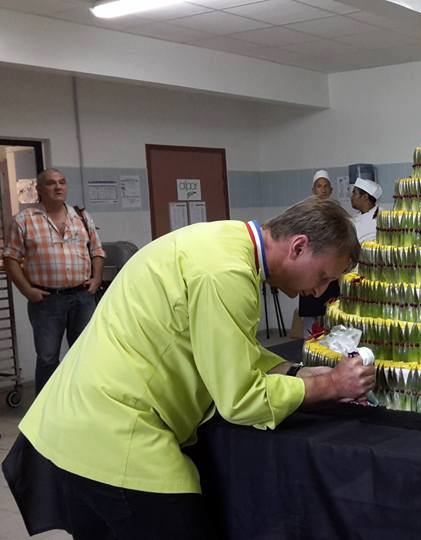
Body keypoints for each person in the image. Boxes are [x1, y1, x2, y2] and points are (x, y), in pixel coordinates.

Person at [8, 197, 375, 539]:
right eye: (325, 276)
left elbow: (228, 346)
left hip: (66, 426)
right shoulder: (226, 274)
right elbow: (241, 400)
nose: (320, 291)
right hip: (113, 435)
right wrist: (330, 386)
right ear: (298, 247)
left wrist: (293, 371)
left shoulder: (221, 242)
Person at [2, 168, 104, 394]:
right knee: (48, 357)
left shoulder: (81, 217)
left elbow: (97, 251)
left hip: (82, 297)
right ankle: (44, 413)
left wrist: (96, 279)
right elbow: (10, 258)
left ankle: (82, 401)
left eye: (62, 182)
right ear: (39, 189)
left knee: (85, 353)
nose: (58, 187)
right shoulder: (24, 220)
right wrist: (28, 291)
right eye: (50, 183)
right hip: (47, 301)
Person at [299, 169, 339, 338]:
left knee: (331, 317)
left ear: (330, 190)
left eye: (325, 186)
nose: (322, 190)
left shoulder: (337, 214)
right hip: (308, 272)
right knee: (310, 321)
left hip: (330, 273)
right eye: (318, 186)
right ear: (313, 190)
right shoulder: (304, 214)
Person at [350, 177, 381, 244]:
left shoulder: (381, 217)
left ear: (365, 197)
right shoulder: (356, 217)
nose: (351, 197)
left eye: (354, 193)